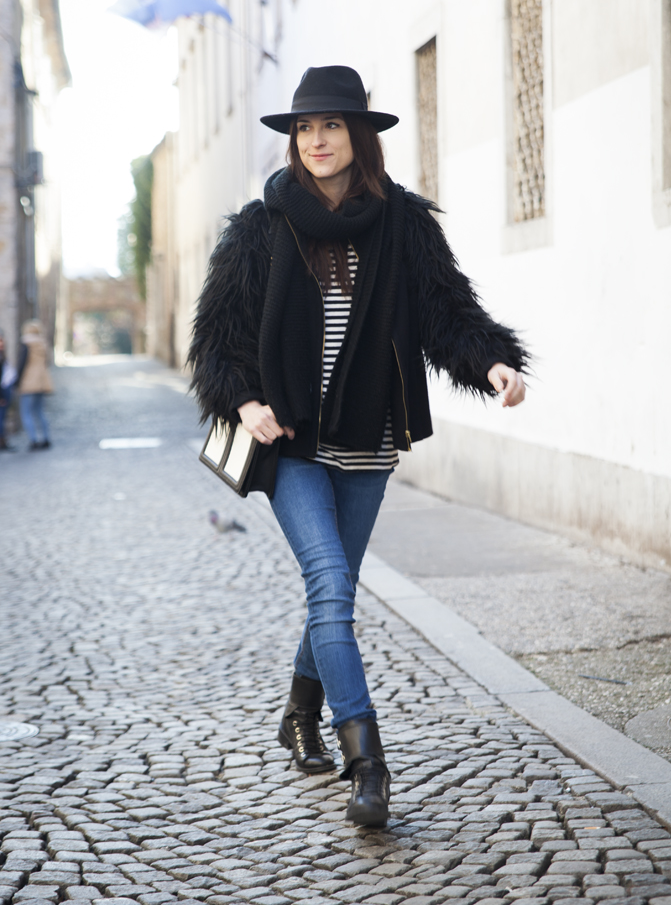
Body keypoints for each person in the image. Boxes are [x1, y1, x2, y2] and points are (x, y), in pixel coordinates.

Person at [188, 66, 527, 828]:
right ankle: (367, 764)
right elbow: (218, 336)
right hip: (292, 442)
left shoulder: (402, 224)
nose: (316, 140)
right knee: (330, 585)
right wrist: (245, 401)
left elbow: (446, 311)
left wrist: (494, 363)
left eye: (331, 126)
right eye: (304, 128)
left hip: (370, 439)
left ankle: (297, 715)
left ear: (359, 136)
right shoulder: (261, 226)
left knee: (332, 591)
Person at [17, 319, 53, 450]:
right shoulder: (43, 343)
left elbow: (22, 363)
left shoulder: (26, 343)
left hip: (29, 381)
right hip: (42, 381)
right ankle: (46, 438)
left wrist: (17, 381)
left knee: (26, 412)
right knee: (40, 411)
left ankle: (33, 440)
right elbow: (48, 362)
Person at [0, 330, 18, 451]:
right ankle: (2, 442)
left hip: (6, 388)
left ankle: (3, 441)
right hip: (2, 391)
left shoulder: (2, 354)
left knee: (3, 416)